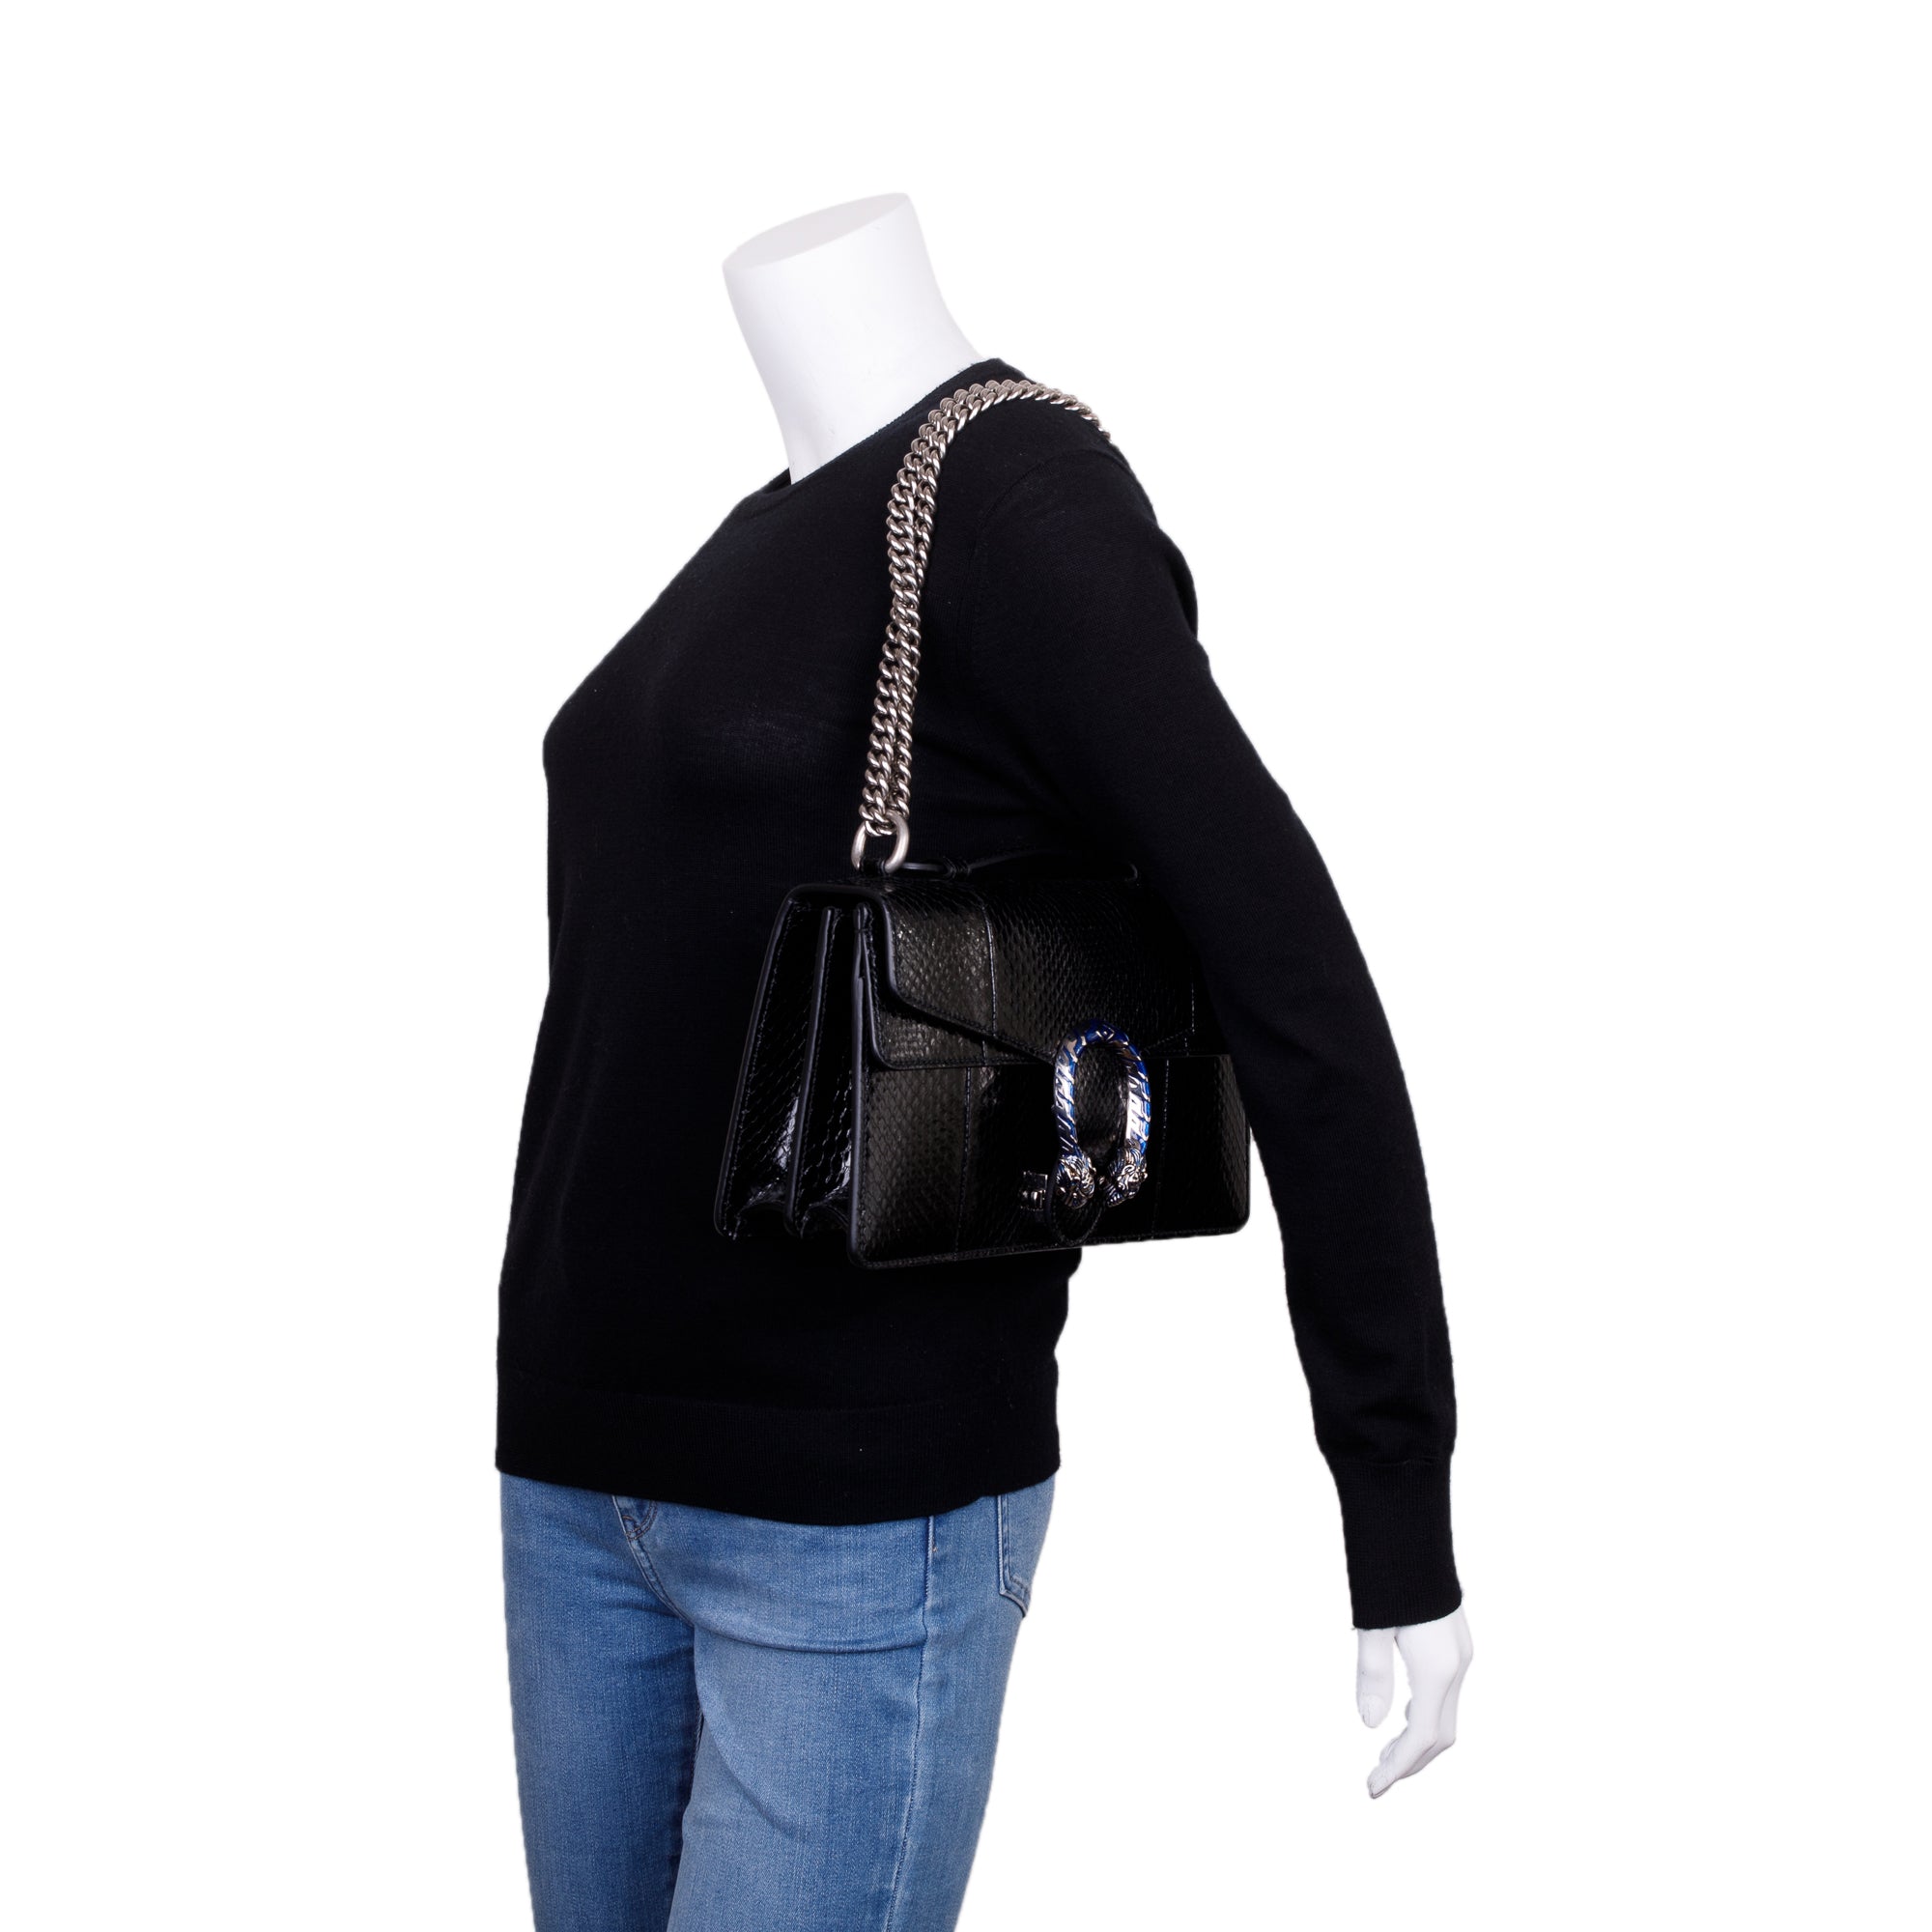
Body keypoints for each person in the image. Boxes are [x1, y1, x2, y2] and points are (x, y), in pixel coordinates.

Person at [496, 194, 1471, 1932]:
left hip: (852, 1508)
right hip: (580, 1476)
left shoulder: (1016, 500)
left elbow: (1297, 980)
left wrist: (1393, 1491)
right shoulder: (769, 527)